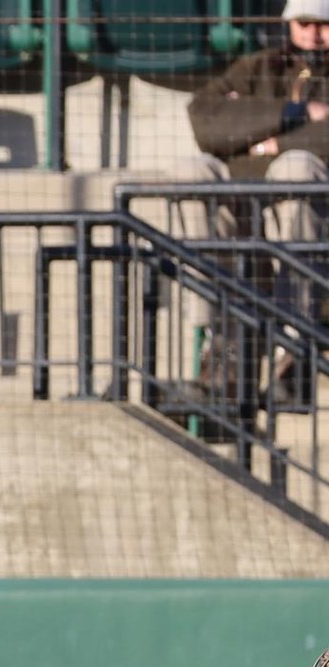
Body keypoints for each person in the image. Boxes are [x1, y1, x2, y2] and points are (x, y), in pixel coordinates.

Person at [183, 0, 329, 399]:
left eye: (324, 25)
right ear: (289, 25)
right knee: (196, 171)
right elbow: (204, 119)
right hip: (244, 199)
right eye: (305, 23)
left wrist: (270, 143)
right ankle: (221, 342)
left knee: (296, 169)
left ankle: (294, 350)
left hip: (312, 210)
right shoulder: (256, 67)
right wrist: (295, 111)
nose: (315, 34)